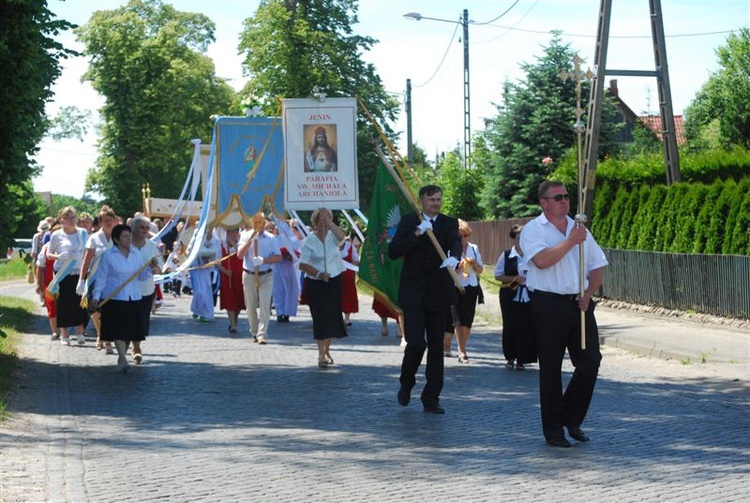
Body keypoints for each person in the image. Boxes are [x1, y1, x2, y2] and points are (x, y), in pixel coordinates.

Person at [519, 180, 608, 448]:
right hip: (548, 305)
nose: (564, 201)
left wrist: (589, 293)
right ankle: (554, 431)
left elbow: (598, 264)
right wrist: (571, 241)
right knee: (550, 369)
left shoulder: (579, 229)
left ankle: (571, 416)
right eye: (558, 197)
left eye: (566, 196)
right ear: (544, 202)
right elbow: (542, 261)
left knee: (590, 362)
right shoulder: (533, 230)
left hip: (577, 304)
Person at [388, 185, 460, 414]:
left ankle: (431, 397)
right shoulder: (410, 222)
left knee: (437, 348)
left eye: (439, 199)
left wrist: (455, 259)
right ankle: (406, 382)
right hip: (414, 292)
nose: (436, 203)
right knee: (417, 343)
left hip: (439, 292)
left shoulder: (449, 222)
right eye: (432, 200)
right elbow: (394, 251)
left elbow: (455, 243)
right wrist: (417, 234)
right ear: (421, 201)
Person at [92, 224, 159, 373]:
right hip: (114, 297)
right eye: (125, 236)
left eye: (129, 236)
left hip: (133, 297)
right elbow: (101, 278)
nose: (129, 239)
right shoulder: (108, 255)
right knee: (118, 330)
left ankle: (122, 355)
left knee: (129, 331)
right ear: (116, 239)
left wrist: (149, 268)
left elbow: (141, 276)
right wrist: (96, 296)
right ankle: (122, 357)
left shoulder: (136, 254)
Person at [298, 207, 347, 368]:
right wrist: (319, 273)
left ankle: (327, 350)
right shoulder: (309, 241)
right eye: (321, 220)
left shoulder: (333, 236)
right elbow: (303, 264)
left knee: (332, 317)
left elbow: (342, 237)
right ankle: (320, 354)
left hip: (334, 281)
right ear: (315, 222)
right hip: (317, 283)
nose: (324, 223)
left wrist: (330, 223)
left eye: (327, 219)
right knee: (320, 318)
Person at [495, 224, 536, 370]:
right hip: (510, 294)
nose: (522, 241)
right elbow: (498, 275)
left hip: (530, 295)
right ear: (513, 240)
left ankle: (523, 359)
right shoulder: (506, 255)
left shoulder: (533, 255)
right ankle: (510, 357)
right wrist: (514, 278)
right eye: (519, 238)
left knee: (527, 325)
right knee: (510, 325)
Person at [78, 205, 117, 354]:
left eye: (111, 220)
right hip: (95, 277)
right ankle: (102, 335)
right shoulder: (94, 238)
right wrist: (81, 280)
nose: (109, 223)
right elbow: (86, 260)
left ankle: (105, 338)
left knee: (109, 310)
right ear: (100, 222)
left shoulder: (117, 237)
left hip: (112, 279)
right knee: (96, 310)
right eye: (106, 220)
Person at [237, 213, 282, 344]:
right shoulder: (245, 235)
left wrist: (264, 260)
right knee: (250, 306)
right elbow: (240, 255)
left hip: (266, 274)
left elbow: (278, 257)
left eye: (261, 222)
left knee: (265, 305)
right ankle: (254, 331)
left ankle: (262, 333)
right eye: (256, 222)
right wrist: (250, 240)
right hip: (249, 274)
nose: (259, 224)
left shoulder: (271, 238)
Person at [47, 206, 88, 346]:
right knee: (63, 302)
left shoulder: (82, 233)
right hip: (63, 272)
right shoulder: (56, 235)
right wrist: (58, 256)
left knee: (79, 302)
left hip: (79, 271)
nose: (71, 220)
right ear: (61, 220)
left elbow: (88, 251)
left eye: (73, 217)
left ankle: (79, 331)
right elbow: (48, 254)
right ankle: (64, 334)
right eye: (68, 218)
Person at [131, 215, 164, 363]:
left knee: (140, 319)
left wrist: (155, 266)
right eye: (141, 227)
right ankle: (125, 347)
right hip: (126, 290)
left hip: (145, 290)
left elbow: (160, 269)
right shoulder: (125, 244)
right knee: (127, 319)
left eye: (147, 228)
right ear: (133, 228)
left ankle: (136, 347)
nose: (144, 230)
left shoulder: (151, 246)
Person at [451, 219, 484, 364]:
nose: (463, 239)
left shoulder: (474, 248)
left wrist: (474, 264)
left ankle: (463, 346)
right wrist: (459, 266)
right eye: (460, 236)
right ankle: (461, 350)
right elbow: (448, 271)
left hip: (471, 286)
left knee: (468, 320)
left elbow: (481, 270)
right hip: (457, 286)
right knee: (458, 319)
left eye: (465, 235)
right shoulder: (451, 249)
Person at [272, 219, 302, 323]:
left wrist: (290, 255)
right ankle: (279, 313)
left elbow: (297, 253)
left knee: (289, 290)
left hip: (289, 267)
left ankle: (287, 312)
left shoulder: (292, 240)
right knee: (278, 290)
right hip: (277, 266)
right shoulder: (274, 239)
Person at [189, 226, 220, 322]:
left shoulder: (215, 240)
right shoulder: (197, 236)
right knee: (198, 292)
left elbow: (217, 256)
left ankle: (206, 313)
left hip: (206, 270)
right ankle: (197, 309)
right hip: (196, 269)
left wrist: (209, 259)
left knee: (205, 292)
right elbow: (189, 249)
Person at [218, 227, 245, 333]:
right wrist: (225, 271)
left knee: (239, 300)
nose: (233, 234)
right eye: (230, 231)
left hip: (240, 276)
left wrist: (234, 244)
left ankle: (234, 321)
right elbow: (217, 261)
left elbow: (243, 255)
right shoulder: (221, 245)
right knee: (229, 299)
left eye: (235, 231)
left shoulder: (242, 244)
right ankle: (233, 325)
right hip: (227, 276)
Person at [340, 231, 360, 326]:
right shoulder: (331, 247)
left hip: (348, 277)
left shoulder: (350, 246)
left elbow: (356, 260)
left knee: (348, 296)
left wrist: (348, 265)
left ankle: (347, 318)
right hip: (335, 276)